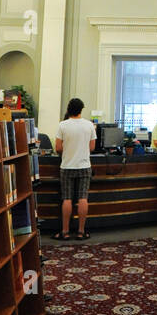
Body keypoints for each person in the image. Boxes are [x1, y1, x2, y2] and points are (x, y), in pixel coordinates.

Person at [54, 97, 96, 241]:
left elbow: (58, 148)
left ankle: (65, 231)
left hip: (67, 166)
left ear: (68, 110)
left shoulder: (63, 125)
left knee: (67, 199)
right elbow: (92, 147)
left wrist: (68, 150)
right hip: (84, 166)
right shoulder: (89, 125)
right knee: (83, 198)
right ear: (81, 109)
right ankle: (81, 231)